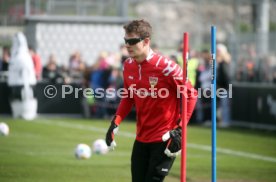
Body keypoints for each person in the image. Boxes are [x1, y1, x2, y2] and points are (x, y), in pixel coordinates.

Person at [105, 19, 197, 182]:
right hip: (141, 137)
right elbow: (128, 96)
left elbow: (190, 95)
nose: (128, 45)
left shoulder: (167, 67)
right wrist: (116, 121)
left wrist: (180, 129)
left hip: (165, 137)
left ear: (146, 41)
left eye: (132, 41)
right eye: (126, 41)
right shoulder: (128, 65)